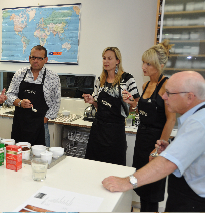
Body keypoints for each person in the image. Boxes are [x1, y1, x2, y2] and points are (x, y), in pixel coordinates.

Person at [102, 71, 205, 212]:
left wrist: (127, 182)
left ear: (189, 97)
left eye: (169, 93)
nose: (163, 97)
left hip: (194, 201)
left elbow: (168, 163)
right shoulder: (196, 117)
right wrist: (173, 148)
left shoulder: (198, 123)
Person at [122, 40, 176, 212]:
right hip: (142, 139)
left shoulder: (166, 86)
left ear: (159, 65)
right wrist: (132, 103)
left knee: (153, 189)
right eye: (143, 62)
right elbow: (142, 112)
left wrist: (159, 147)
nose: (143, 67)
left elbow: (171, 119)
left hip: (156, 142)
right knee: (142, 184)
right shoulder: (145, 85)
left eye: (148, 64)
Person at [82, 47, 140, 166]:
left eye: (109, 58)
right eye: (104, 58)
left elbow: (138, 106)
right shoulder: (100, 80)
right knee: (93, 166)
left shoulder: (127, 79)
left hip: (115, 132)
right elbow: (100, 107)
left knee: (114, 167)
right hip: (98, 130)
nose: (106, 61)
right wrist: (93, 101)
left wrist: (131, 102)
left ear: (117, 61)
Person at [7, 45, 61, 147]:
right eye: (33, 57)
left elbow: (56, 103)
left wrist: (45, 120)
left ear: (46, 60)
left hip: (40, 126)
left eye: (39, 58)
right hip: (20, 125)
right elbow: (9, 95)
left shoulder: (53, 77)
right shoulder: (20, 74)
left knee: (42, 158)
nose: (36, 61)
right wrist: (20, 102)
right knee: (18, 157)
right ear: (29, 58)